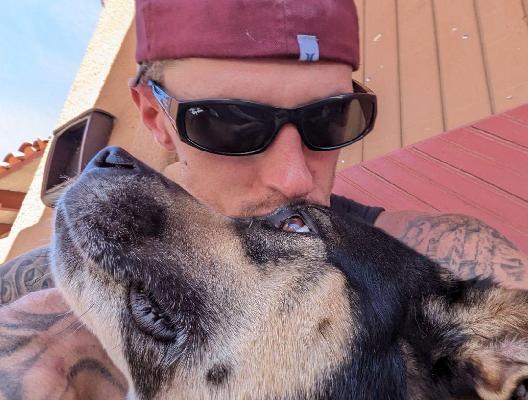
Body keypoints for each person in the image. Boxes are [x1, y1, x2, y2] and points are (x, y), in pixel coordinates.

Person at [1, 0, 526, 398]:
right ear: (156, 118)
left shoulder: (449, 259)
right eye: (231, 123)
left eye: (331, 119)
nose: (294, 178)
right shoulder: (25, 298)